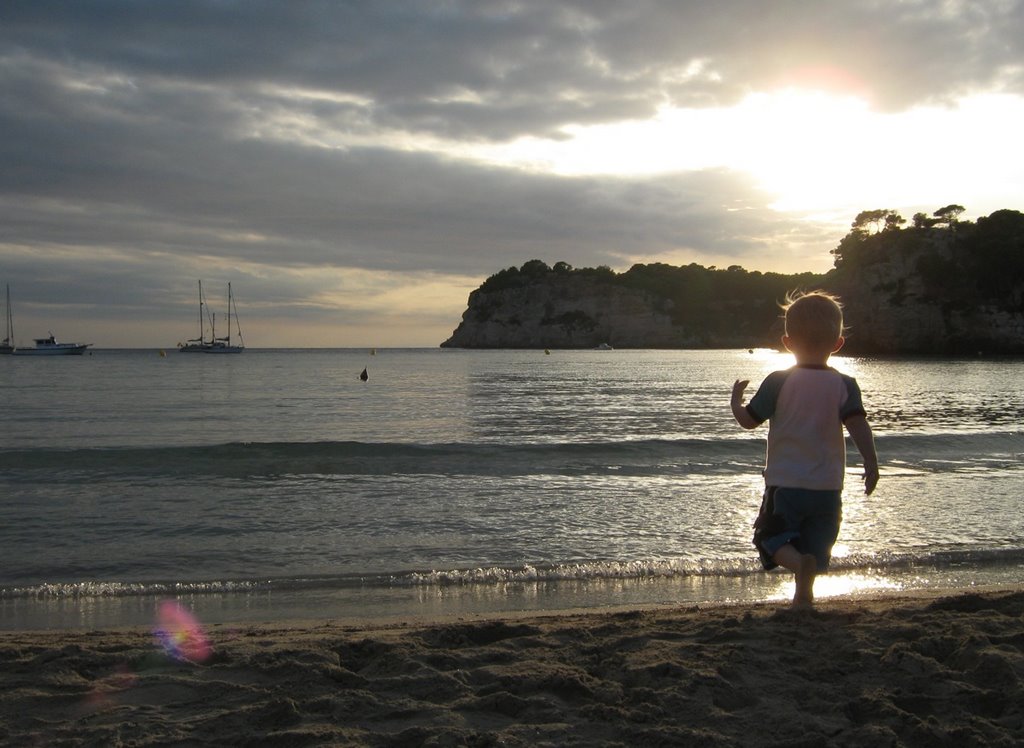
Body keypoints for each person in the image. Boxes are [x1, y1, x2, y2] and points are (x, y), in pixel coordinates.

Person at [731, 290, 879, 607]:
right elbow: (858, 427)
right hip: (828, 486)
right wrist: (871, 462)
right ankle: (803, 596)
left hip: (785, 484)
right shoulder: (845, 384)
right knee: (813, 545)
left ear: (787, 342)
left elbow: (748, 421)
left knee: (769, 538)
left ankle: (798, 568)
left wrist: (735, 402)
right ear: (838, 344)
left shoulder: (778, 381)